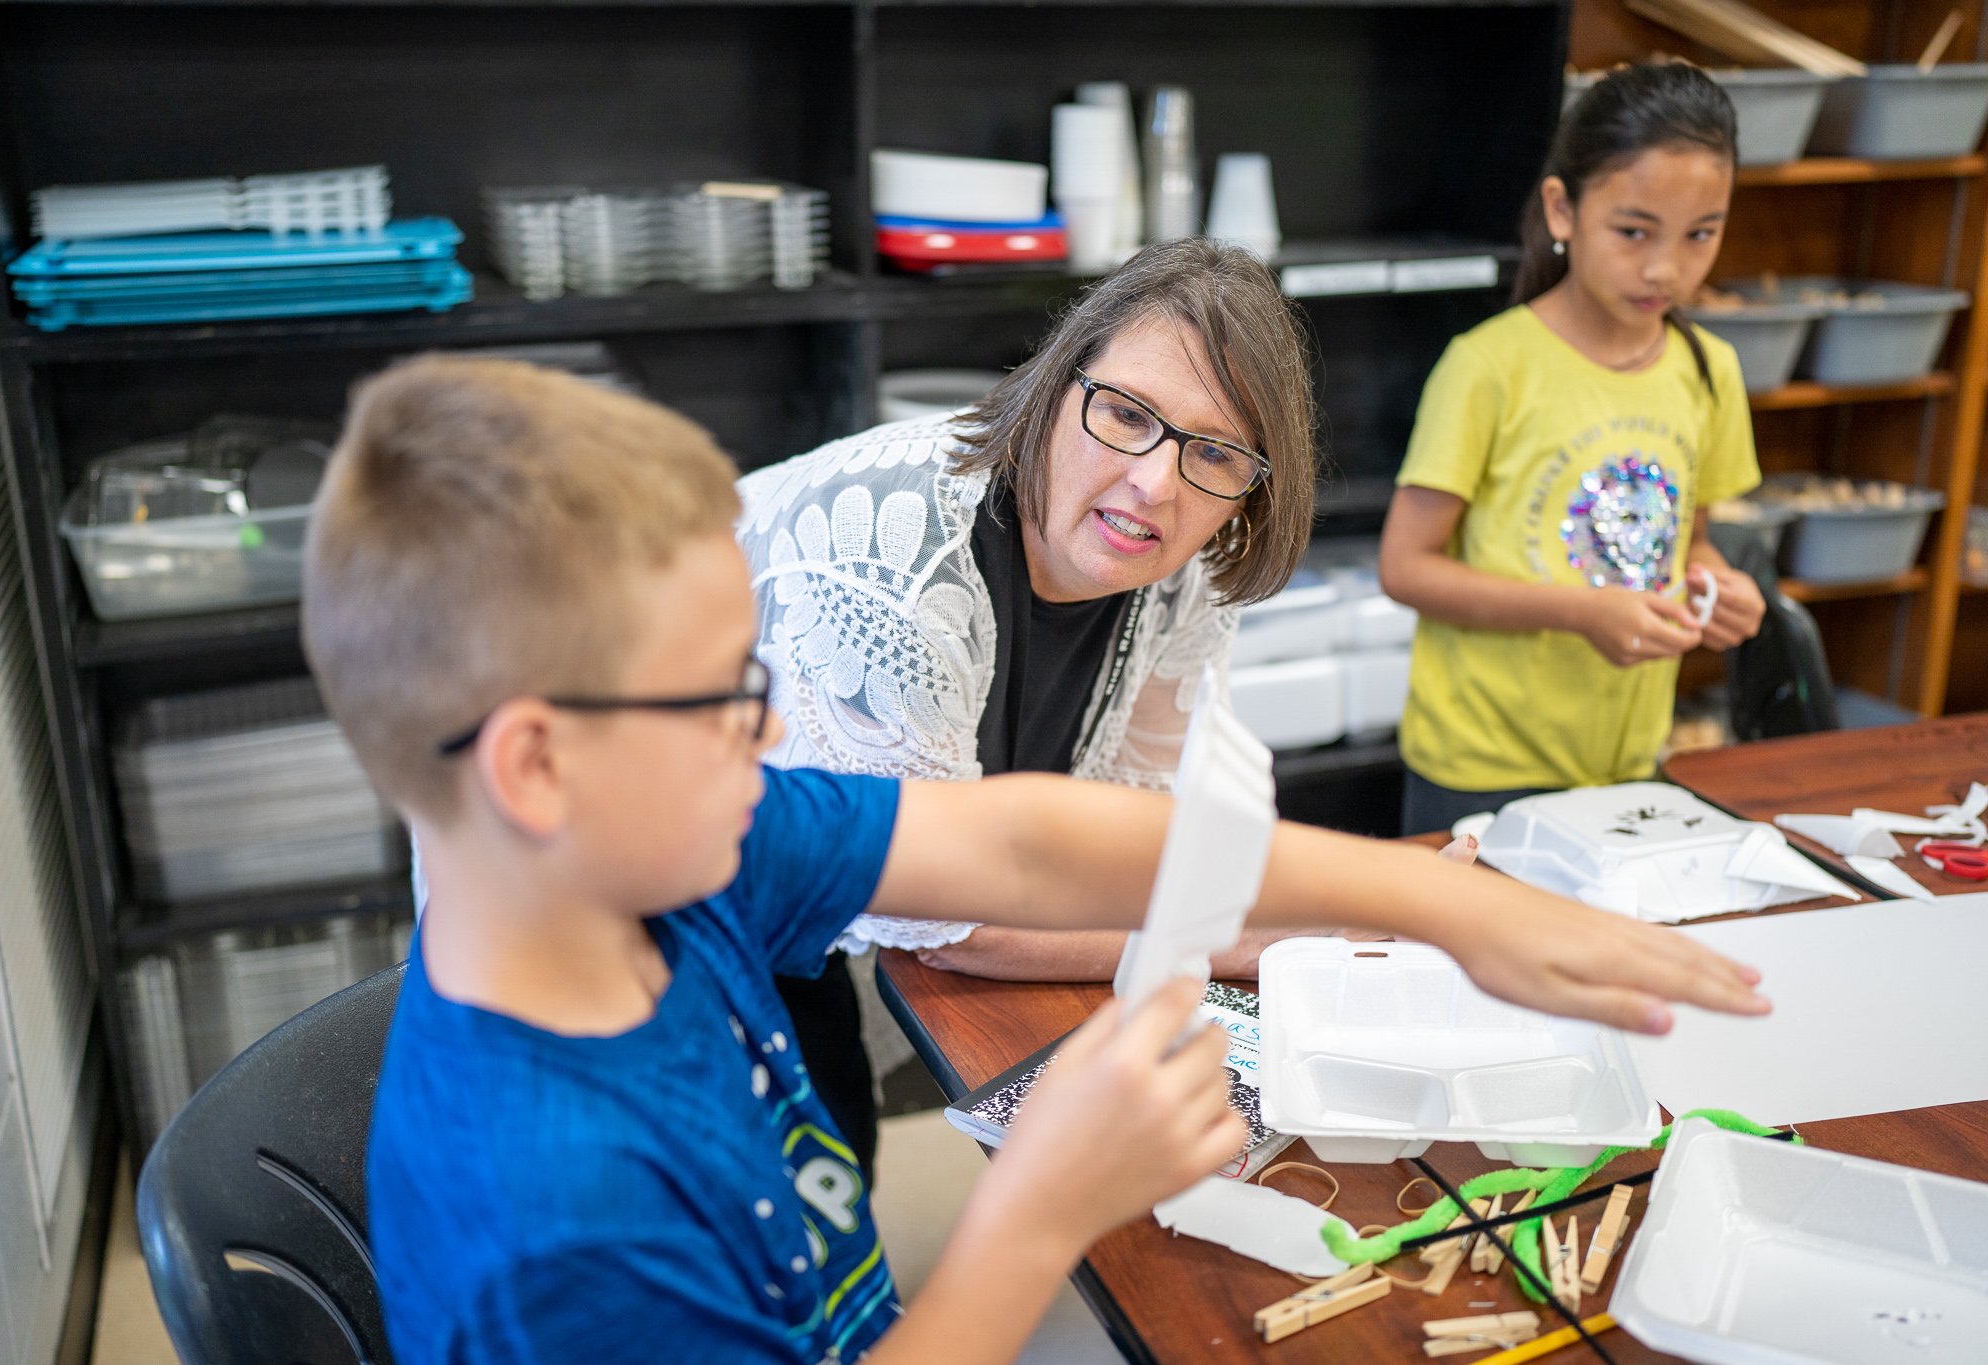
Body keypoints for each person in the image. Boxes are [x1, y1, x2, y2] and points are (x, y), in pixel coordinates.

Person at [310, 356, 1770, 1365]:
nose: (768, 740)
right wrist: (1038, 1209)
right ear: (535, 763)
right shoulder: (555, 1219)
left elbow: (1014, 835)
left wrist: (1433, 898)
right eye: (726, 700)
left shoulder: (681, 863)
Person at [739, 239, 1349, 1168]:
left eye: (1217, 453)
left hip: (796, 873)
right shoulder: (896, 551)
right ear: (1060, 381)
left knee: (827, 1164)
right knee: (765, 1188)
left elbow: (1142, 824)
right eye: (1127, 414)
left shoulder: (1188, 571)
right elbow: (938, 915)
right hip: (619, 854)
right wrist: (1252, 935)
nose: (1154, 483)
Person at [1379, 63, 1768, 837]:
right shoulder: (1488, 366)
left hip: (1627, 766)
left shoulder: (1708, 368)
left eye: (1701, 234)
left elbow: (1691, 545)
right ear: (1563, 207)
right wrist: (1580, 611)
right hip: (1482, 769)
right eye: (1634, 231)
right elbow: (1406, 566)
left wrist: (1716, 589)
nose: (1666, 267)